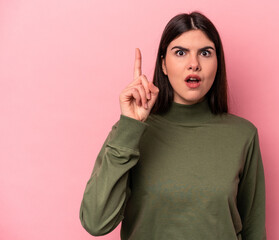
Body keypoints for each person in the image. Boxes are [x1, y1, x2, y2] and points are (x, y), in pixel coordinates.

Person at [80, 11, 266, 240]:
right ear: (164, 65)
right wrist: (130, 126)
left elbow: (253, 231)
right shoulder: (131, 132)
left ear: (218, 63)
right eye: (180, 52)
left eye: (205, 53)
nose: (194, 64)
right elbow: (95, 222)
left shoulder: (243, 135)